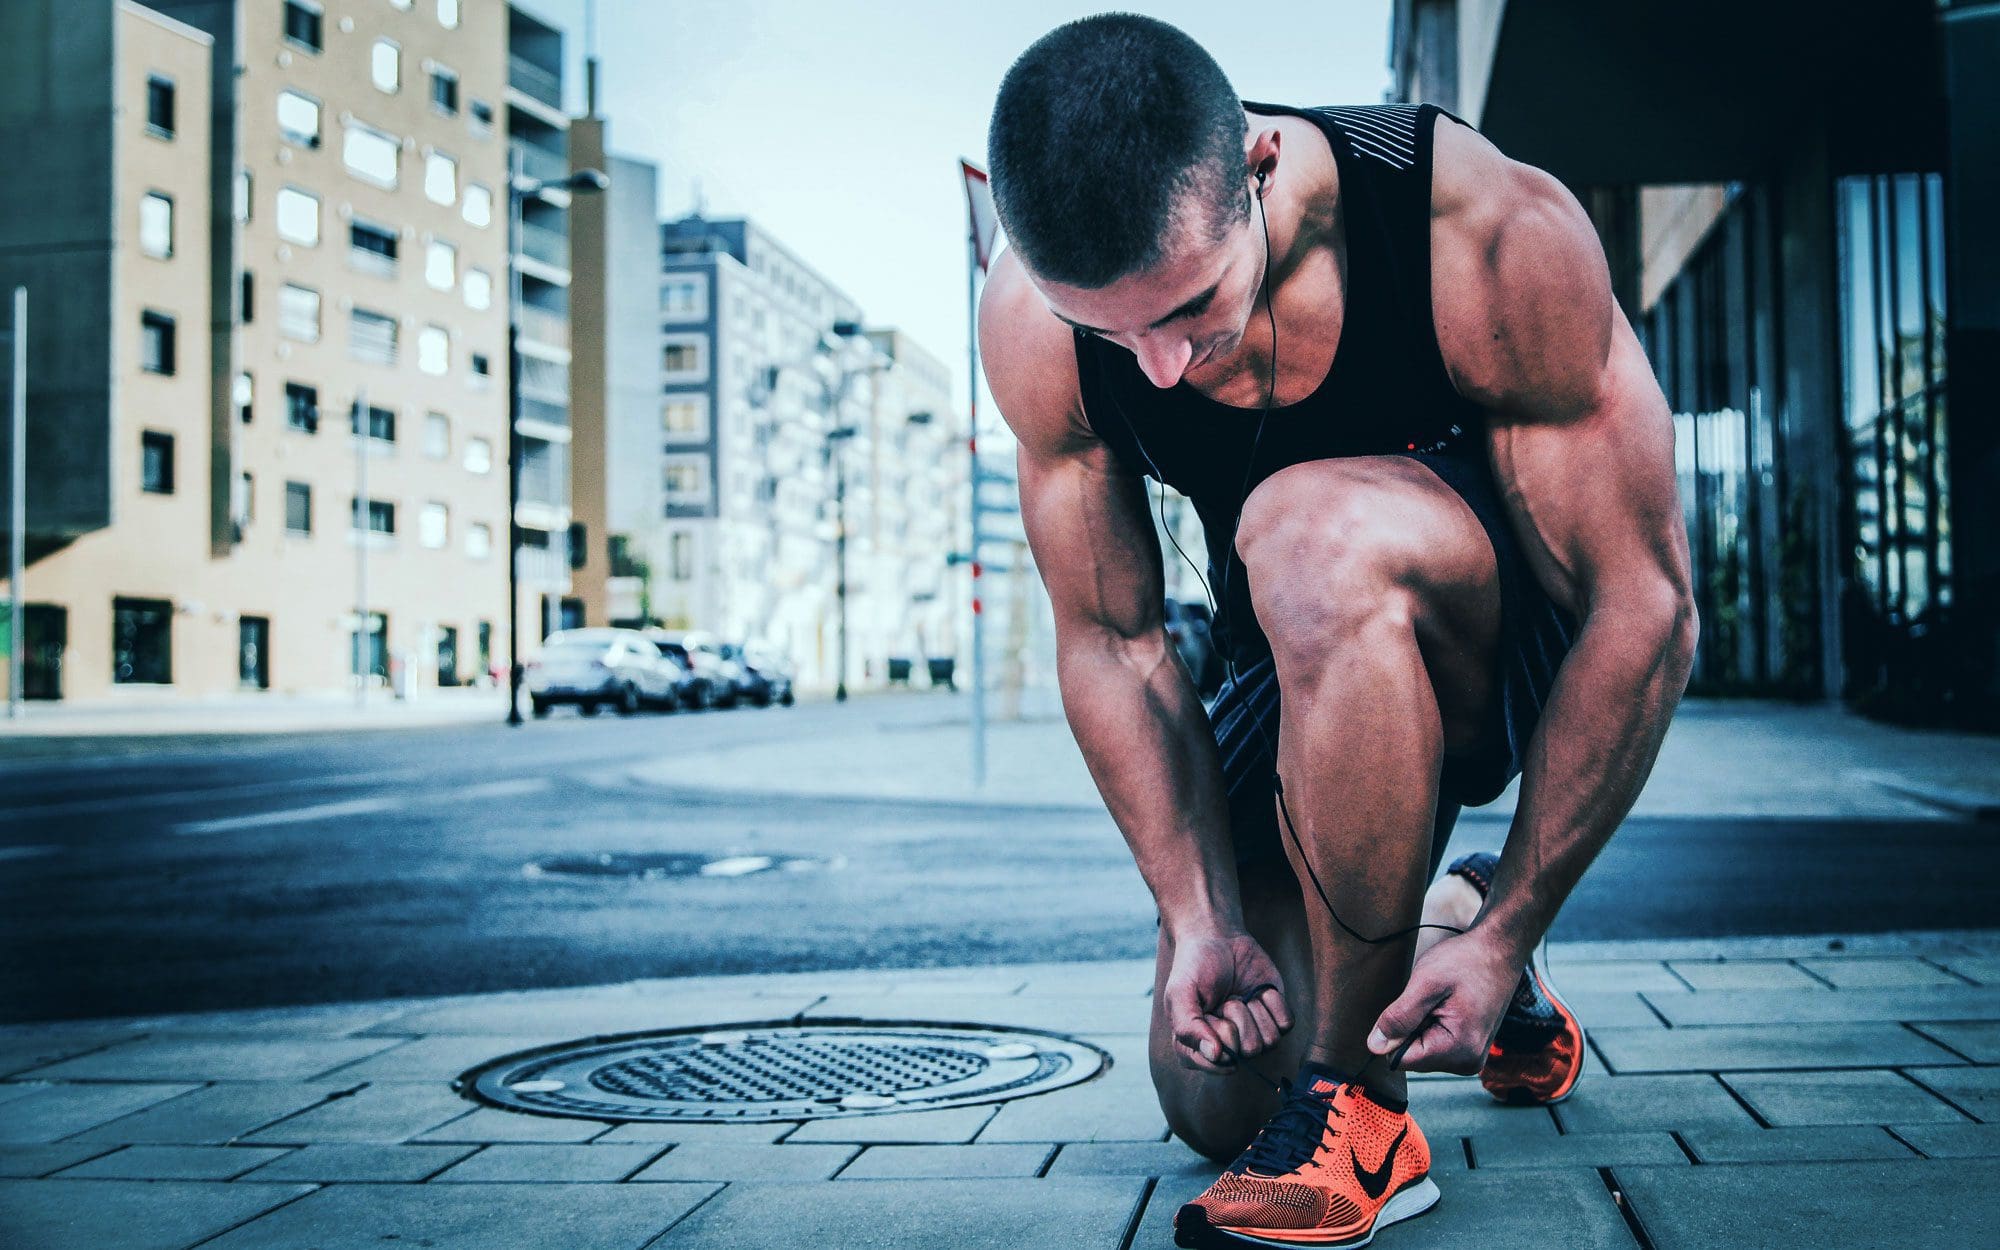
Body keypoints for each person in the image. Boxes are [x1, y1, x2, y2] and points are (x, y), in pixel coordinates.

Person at [978, 14, 1697, 1249]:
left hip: (1494, 640)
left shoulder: (1471, 226)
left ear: (1257, 168)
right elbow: (1112, 637)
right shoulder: (1037, 319)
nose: (1155, 367)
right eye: (1113, 333)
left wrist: (1529, 903)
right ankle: (1442, 936)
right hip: (1297, 655)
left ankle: (1362, 1113)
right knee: (1213, 1092)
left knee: (1304, 528)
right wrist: (1196, 911)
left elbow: (1645, 604)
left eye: (1191, 307)